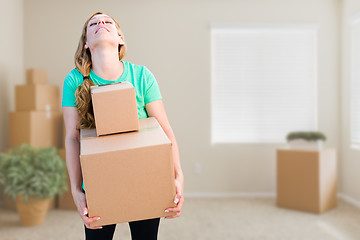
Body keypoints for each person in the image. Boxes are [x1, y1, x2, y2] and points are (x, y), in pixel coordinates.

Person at [62, 11, 184, 240]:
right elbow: (72, 137)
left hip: (146, 176)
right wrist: (76, 191)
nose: (101, 23)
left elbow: (165, 130)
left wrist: (178, 176)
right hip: (99, 183)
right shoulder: (75, 80)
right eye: (94, 24)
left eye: (108, 21)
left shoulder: (141, 76)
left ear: (120, 39)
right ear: (86, 44)